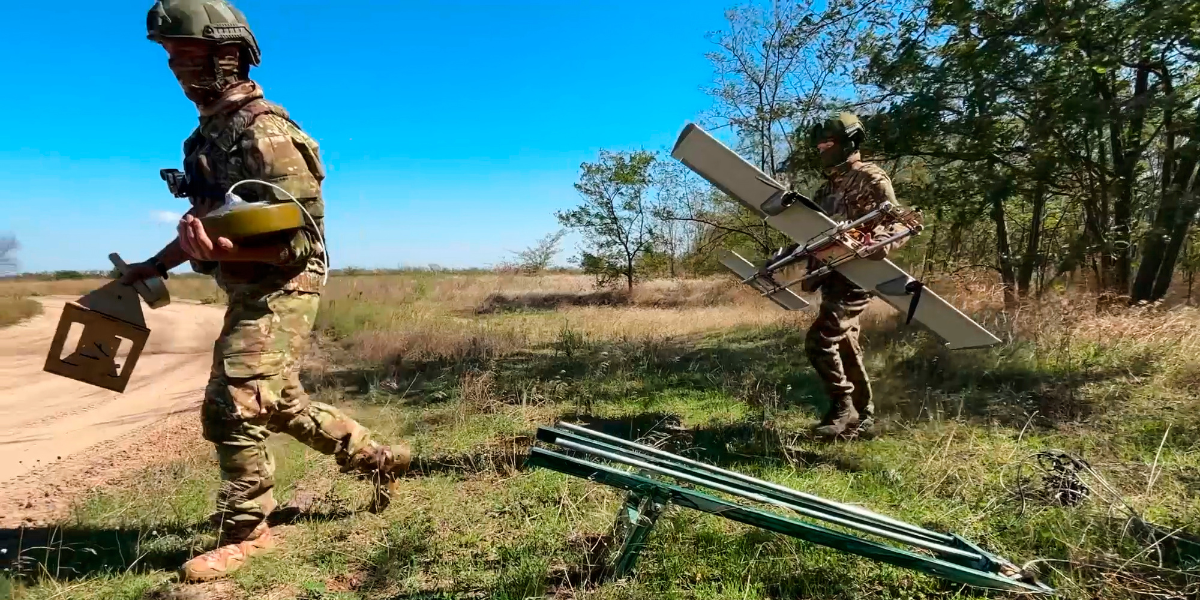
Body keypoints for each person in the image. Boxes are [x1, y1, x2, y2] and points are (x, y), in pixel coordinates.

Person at [121, 0, 412, 582]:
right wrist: (153, 264)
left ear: (228, 54)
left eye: (186, 53)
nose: (176, 66)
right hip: (248, 285)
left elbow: (299, 244)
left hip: (285, 283)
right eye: (169, 56)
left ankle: (248, 532)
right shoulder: (204, 138)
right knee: (276, 400)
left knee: (234, 401)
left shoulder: (267, 134)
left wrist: (228, 254)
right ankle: (378, 458)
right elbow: (214, 226)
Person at [798, 112, 908, 440]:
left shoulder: (870, 177)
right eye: (820, 145)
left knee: (819, 341)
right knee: (845, 345)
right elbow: (811, 234)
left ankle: (842, 406)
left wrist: (878, 244)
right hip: (832, 276)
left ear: (848, 142)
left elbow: (899, 222)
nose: (822, 150)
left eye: (828, 144)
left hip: (857, 276)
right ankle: (865, 415)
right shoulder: (824, 190)